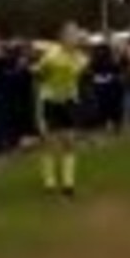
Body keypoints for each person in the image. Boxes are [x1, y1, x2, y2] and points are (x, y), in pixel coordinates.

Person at [33, 23, 90, 197]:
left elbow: (76, 74)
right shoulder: (51, 55)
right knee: (49, 141)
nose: (75, 38)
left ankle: (68, 184)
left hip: (69, 100)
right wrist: (42, 71)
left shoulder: (82, 59)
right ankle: (49, 182)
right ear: (62, 38)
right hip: (50, 100)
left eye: (76, 35)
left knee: (70, 141)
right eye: (71, 35)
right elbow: (37, 75)